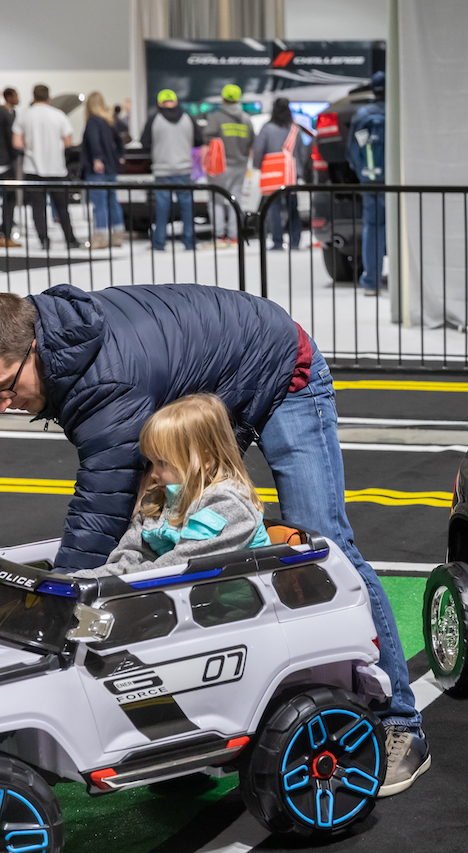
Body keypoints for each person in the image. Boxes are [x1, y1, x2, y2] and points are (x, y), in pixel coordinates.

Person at [0, 283, 430, 796]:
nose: (6, 404)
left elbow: (100, 508)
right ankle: (195, 720)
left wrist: (55, 604)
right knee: (161, 523)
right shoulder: (56, 347)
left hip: (280, 365)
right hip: (204, 390)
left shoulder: (101, 379)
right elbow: (123, 522)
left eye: (6, 385)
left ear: (32, 348)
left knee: (322, 539)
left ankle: (399, 721)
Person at [73, 394, 270, 578]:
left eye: (163, 463)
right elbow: (131, 554)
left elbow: (184, 566)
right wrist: (86, 580)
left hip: (238, 607)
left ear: (204, 459)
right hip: (189, 601)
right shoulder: (160, 500)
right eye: (151, 463)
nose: (153, 474)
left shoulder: (226, 505)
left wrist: (119, 583)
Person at [12, 84, 78, 251]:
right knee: (63, 208)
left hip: (33, 169)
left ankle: (44, 240)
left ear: (33, 96)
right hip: (57, 169)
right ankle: (70, 240)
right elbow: (68, 142)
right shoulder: (58, 115)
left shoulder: (25, 116)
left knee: (38, 209)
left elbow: (17, 142)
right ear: (49, 97)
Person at [140, 89, 203, 251]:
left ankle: (159, 242)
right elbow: (198, 140)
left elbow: (144, 143)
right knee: (187, 208)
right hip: (183, 170)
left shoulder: (155, 119)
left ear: (160, 103)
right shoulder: (188, 118)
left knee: (161, 209)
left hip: (162, 170)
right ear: (175, 101)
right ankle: (189, 241)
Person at [346, 73, 386, 292]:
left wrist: (363, 173)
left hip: (370, 180)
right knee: (400, 229)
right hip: (397, 183)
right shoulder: (398, 112)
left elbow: (352, 152)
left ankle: (372, 282)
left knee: (373, 228)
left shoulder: (362, 115)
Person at [253, 97, 308, 251]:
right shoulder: (294, 129)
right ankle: (295, 241)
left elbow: (258, 149)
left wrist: (258, 165)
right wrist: (300, 171)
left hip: (273, 174)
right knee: (293, 208)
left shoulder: (267, 128)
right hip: (291, 174)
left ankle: (277, 241)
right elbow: (302, 152)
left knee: (274, 207)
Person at [203, 84, 255, 245]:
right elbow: (251, 143)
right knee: (236, 199)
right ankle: (234, 235)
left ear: (223, 99)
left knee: (216, 199)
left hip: (220, 167)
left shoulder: (215, 117)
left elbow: (207, 139)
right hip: (240, 165)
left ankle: (219, 236)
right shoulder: (246, 119)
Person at [80, 91, 125, 249]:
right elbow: (120, 142)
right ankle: (118, 234)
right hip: (111, 168)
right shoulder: (109, 121)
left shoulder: (93, 121)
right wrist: (119, 156)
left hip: (98, 169)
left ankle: (101, 237)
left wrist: (97, 159)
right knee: (112, 201)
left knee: (99, 203)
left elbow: (94, 142)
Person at [0, 87, 17, 248]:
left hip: (5, 161)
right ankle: (5, 233)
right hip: (5, 162)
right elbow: (11, 138)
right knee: (9, 199)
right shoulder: (6, 114)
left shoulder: (8, 112)